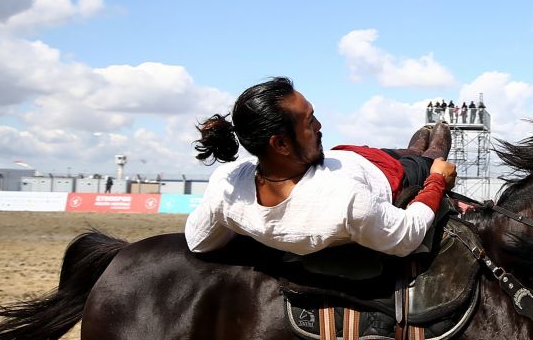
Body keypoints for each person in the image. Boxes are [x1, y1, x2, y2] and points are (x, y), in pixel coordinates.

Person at [186, 77, 456, 257]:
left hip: (348, 157)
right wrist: (436, 181)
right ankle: (428, 147)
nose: (319, 126)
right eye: (310, 121)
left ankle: (418, 145)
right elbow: (406, 235)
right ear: (280, 144)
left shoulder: (226, 184)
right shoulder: (346, 201)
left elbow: (198, 241)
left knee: (412, 148)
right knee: (432, 154)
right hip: (392, 175)